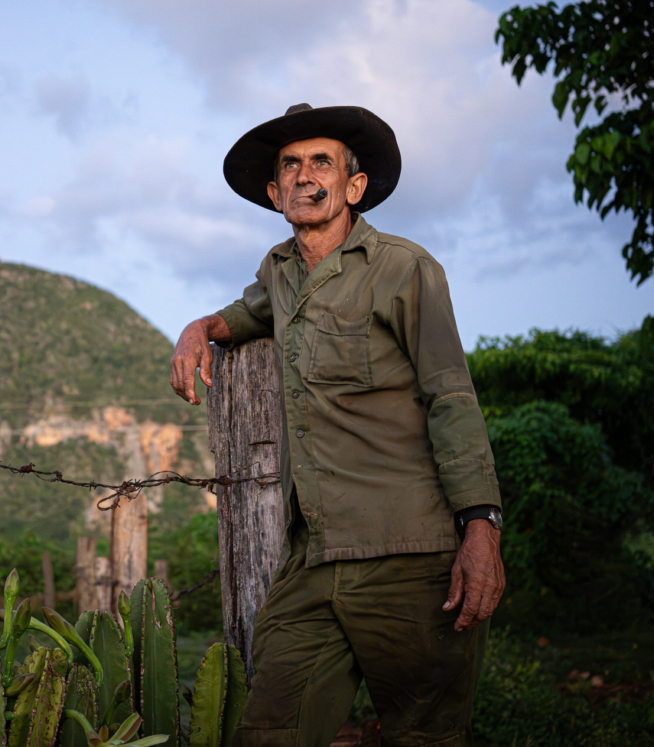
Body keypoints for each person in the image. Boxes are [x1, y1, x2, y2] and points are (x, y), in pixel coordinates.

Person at [170, 105, 505, 747]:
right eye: (289, 166)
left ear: (354, 186)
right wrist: (198, 329)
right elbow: (247, 311)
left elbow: (451, 398)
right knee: (269, 729)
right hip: (315, 557)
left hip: (408, 552)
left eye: (321, 161)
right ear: (274, 194)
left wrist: (481, 527)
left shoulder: (406, 270)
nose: (304, 176)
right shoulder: (280, 270)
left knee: (426, 735)